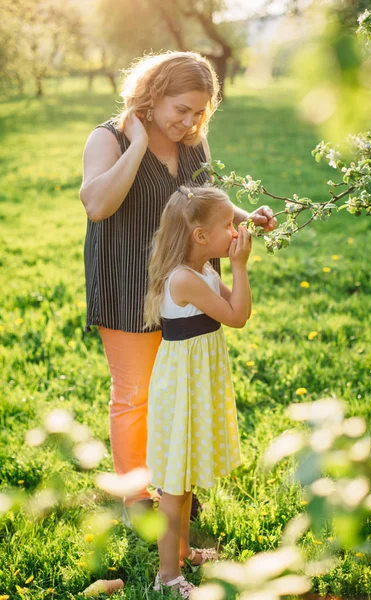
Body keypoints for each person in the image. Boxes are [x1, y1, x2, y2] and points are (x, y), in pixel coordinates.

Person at [79, 51, 277, 511]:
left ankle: (175, 488)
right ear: (152, 95)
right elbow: (97, 206)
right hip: (127, 282)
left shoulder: (193, 143)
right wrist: (138, 146)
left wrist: (249, 217)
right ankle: (138, 500)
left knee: (179, 391)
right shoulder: (106, 139)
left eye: (198, 112)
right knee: (135, 396)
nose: (189, 122)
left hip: (186, 288)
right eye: (180, 110)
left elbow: (200, 206)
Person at [144, 185, 252, 598]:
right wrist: (239, 266)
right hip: (180, 390)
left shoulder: (203, 270)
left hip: (195, 384)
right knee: (174, 486)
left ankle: (185, 552)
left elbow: (236, 311)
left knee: (184, 477)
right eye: (229, 226)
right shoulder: (185, 279)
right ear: (201, 237)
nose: (236, 230)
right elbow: (237, 316)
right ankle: (167, 577)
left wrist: (240, 241)